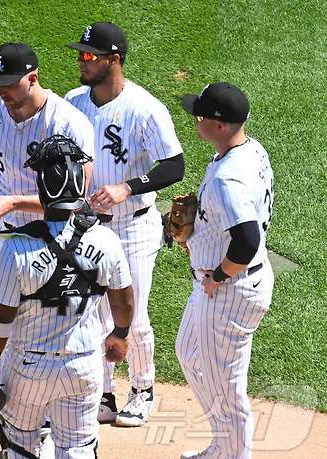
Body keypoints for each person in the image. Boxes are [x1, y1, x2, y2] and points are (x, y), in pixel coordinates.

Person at [0, 43, 95, 459]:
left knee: (34, 335)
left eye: (10, 84)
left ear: (33, 77)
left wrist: (13, 203)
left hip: (45, 241)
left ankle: (39, 430)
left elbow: (76, 199)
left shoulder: (68, 123)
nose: (3, 93)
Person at [0, 135, 134, 458]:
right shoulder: (107, 240)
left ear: (42, 192)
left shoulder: (17, 246)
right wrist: (120, 334)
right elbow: (124, 300)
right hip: (84, 366)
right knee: (78, 448)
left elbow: (0, 319)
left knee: (21, 446)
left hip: (29, 367)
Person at [65, 22, 185, 426]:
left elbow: (174, 165)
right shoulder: (73, 102)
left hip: (133, 226)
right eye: (80, 54)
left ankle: (142, 388)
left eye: (88, 56)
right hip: (87, 227)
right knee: (92, 314)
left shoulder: (145, 107)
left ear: (113, 60)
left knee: (131, 317)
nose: (80, 61)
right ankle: (103, 393)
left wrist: (127, 187)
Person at [176, 82, 274, 459]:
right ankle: (223, 444)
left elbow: (246, 242)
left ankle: (234, 453)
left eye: (199, 116)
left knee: (225, 388)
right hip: (224, 284)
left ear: (219, 124)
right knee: (188, 352)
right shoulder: (250, 150)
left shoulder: (226, 179)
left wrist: (218, 276)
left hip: (229, 289)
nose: (194, 120)